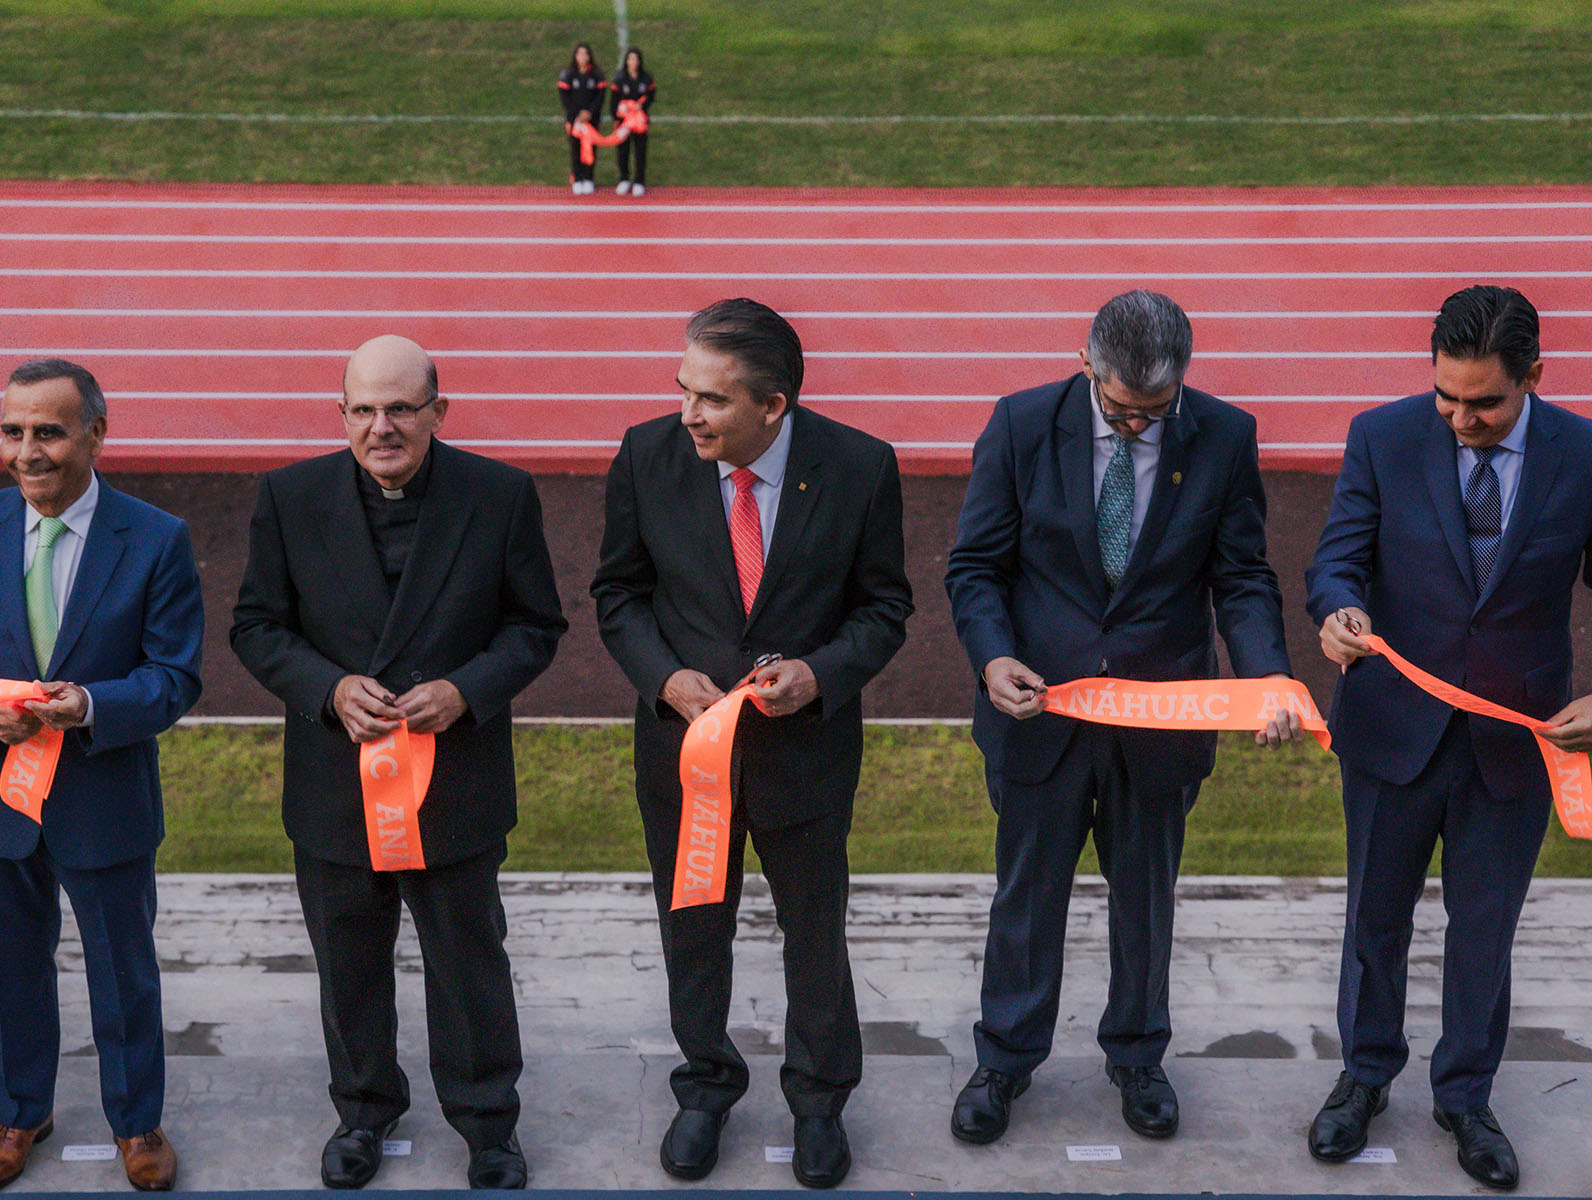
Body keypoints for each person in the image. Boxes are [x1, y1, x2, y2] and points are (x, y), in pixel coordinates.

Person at [945, 290, 1299, 1147]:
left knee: (1147, 899)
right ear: (1085, 362)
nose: (1138, 426)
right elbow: (975, 567)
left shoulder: (1224, 435)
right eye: (1121, 409)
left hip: (1161, 720)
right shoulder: (1022, 425)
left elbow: (1242, 578)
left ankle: (1139, 1058)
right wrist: (993, 658)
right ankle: (1004, 1059)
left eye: (1156, 412)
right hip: (1041, 715)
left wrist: (1269, 678)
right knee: (1026, 900)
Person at [231, 335, 565, 1192]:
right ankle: (363, 1111)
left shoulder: (499, 496)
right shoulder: (289, 496)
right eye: (364, 410)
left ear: (437, 413)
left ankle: (489, 1122)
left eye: (402, 409)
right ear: (341, 414)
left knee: (468, 962)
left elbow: (535, 627)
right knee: (348, 964)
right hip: (335, 786)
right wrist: (328, 688)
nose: (382, 427)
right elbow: (258, 627)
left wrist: (465, 691)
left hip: (455, 780)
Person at [591, 298, 912, 1190]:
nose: (688, 413)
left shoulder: (859, 467)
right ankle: (705, 1088)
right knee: (693, 927)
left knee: (815, 932)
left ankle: (819, 1101)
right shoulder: (647, 455)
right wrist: (663, 678)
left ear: (773, 407)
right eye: (684, 391)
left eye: (712, 400)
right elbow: (618, 595)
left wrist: (821, 674)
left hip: (805, 755)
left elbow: (885, 607)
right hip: (682, 755)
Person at [1302, 285, 1592, 1190]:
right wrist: (1337, 608)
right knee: (1374, 924)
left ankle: (1466, 1096)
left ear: (1534, 377)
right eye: (1446, 397)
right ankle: (1364, 1076)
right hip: (1392, 731)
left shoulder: (1584, 455)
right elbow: (1337, 556)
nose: (1461, 418)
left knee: (1485, 933)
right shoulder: (1382, 436)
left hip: (1514, 743)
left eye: (1484, 403)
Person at [0, 359, 202, 1193]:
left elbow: (174, 676)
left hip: (103, 800)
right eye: (12, 431)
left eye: (47, 431)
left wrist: (92, 705)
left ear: (96, 435)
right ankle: (20, 1112)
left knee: (123, 974)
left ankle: (137, 1123)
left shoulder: (156, 538)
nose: (27, 451)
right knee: (10, 970)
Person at [557, 42, 606, 195]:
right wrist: (577, 114)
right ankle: (577, 178)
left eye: (585, 54)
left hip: (592, 119)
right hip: (575, 119)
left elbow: (600, 97)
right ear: (575, 56)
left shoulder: (596, 74)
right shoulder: (569, 74)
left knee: (591, 148)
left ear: (590, 56)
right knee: (576, 148)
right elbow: (565, 97)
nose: (583, 57)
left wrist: (589, 112)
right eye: (580, 54)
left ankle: (588, 178)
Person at [610, 48, 655, 196]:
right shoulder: (619, 79)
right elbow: (613, 101)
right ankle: (624, 179)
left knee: (640, 150)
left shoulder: (646, 79)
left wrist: (642, 105)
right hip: (624, 122)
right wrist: (617, 118)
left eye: (636, 59)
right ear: (626, 61)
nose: (633, 62)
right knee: (623, 150)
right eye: (630, 59)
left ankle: (639, 181)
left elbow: (651, 95)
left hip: (640, 122)